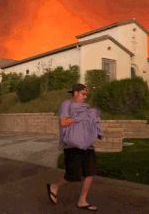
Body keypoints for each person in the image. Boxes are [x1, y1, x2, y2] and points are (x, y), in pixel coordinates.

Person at [47, 83, 99, 211]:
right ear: (75, 93)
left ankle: (82, 201)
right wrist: (83, 116)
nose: (85, 97)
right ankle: (54, 186)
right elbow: (63, 122)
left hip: (87, 146)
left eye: (86, 94)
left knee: (90, 172)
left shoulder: (84, 108)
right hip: (71, 145)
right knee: (73, 175)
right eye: (83, 94)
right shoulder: (67, 104)